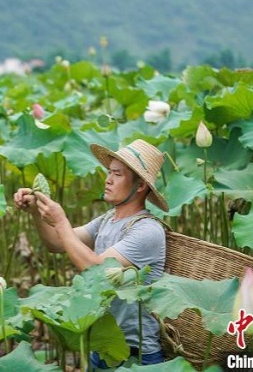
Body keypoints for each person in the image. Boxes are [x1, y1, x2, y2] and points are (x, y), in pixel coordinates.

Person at [13, 139, 168, 369]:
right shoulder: (108, 219)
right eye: (109, 172)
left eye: (117, 174)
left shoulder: (147, 230)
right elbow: (57, 243)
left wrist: (61, 220)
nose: (108, 179)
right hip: (102, 346)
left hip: (137, 356)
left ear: (140, 186)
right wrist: (36, 210)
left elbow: (97, 270)